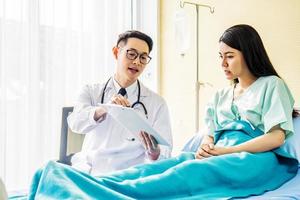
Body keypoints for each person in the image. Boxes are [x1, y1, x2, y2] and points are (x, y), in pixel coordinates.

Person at [28, 24, 299, 199]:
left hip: (252, 158)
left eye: (229, 55)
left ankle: (95, 193)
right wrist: (207, 145)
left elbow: (276, 138)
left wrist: (221, 151)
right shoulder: (221, 94)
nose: (223, 63)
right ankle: (67, 180)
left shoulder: (271, 86)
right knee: (176, 163)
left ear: (248, 53)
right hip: (217, 152)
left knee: (182, 173)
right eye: (220, 56)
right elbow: (210, 133)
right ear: (117, 53)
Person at [67, 30, 173, 175]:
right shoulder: (91, 91)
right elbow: (75, 123)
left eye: (143, 57)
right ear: (116, 52)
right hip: (92, 172)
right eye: (131, 54)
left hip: (130, 176)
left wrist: (155, 153)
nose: (137, 62)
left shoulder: (157, 103)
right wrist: (104, 109)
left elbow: (166, 153)